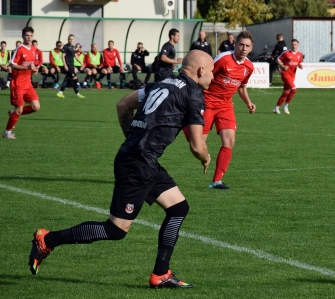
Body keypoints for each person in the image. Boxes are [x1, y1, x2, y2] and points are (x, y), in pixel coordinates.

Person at [28, 50, 214, 289]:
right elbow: (197, 146)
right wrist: (205, 157)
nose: (212, 76)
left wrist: (134, 139)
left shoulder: (162, 82)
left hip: (141, 160)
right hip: (139, 164)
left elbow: (122, 105)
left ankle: (161, 273)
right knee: (116, 229)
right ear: (200, 71)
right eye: (211, 72)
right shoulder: (193, 92)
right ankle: (47, 239)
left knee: (178, 208)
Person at [192, 30, 256, 190]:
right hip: (207, 101)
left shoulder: (249, 67)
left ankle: (216, 181)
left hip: (226, 105)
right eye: (241, 44)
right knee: (198, 144)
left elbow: (241, 86)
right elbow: (205, 75)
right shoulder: (223, 59)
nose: (243, 48)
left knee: (229, 140)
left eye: (247, 46)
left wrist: (248, 102)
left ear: (251, 48)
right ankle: (188, 124)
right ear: (235, 44)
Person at [3, 27, 39, 140]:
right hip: (18, 84)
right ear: (23, 36)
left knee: (36, 107)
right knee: (19, 109)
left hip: (28, 84)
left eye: (31, 35)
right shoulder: (19, 49)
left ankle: (14, 113)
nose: (29, 37)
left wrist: (33, 69)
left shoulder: (33, 49)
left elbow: (30, 65)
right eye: (27, 35)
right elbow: (11, 65)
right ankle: (7, 132)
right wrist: (26, 67)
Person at [273, 39, 303, 115]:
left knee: (286, 92)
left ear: (298, 45)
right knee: (294, 89)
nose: (294, 46)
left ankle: (276, 107)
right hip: (285, 74)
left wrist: (300, 66)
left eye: (295, 45)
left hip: (292, 75)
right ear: (291, 45)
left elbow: (299, 63)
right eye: (292, 44)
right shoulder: (286, 53)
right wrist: (283, 66)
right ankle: (285, 106)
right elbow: (277, 60)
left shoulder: (299, 54)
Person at [56, 34, 85, 98]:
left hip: (72, 65)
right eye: (70, 39)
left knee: (68, 79)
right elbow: (63, 57)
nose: (71, 40)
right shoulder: (65, 47)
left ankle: (60, 92)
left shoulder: (73, 47)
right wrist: (65, 65)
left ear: (74, 40)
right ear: (68, 39)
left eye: (72, 39)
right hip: (68, 65)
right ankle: (77, 94)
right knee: (74, 78)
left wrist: (81, 62)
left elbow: (76, 56)